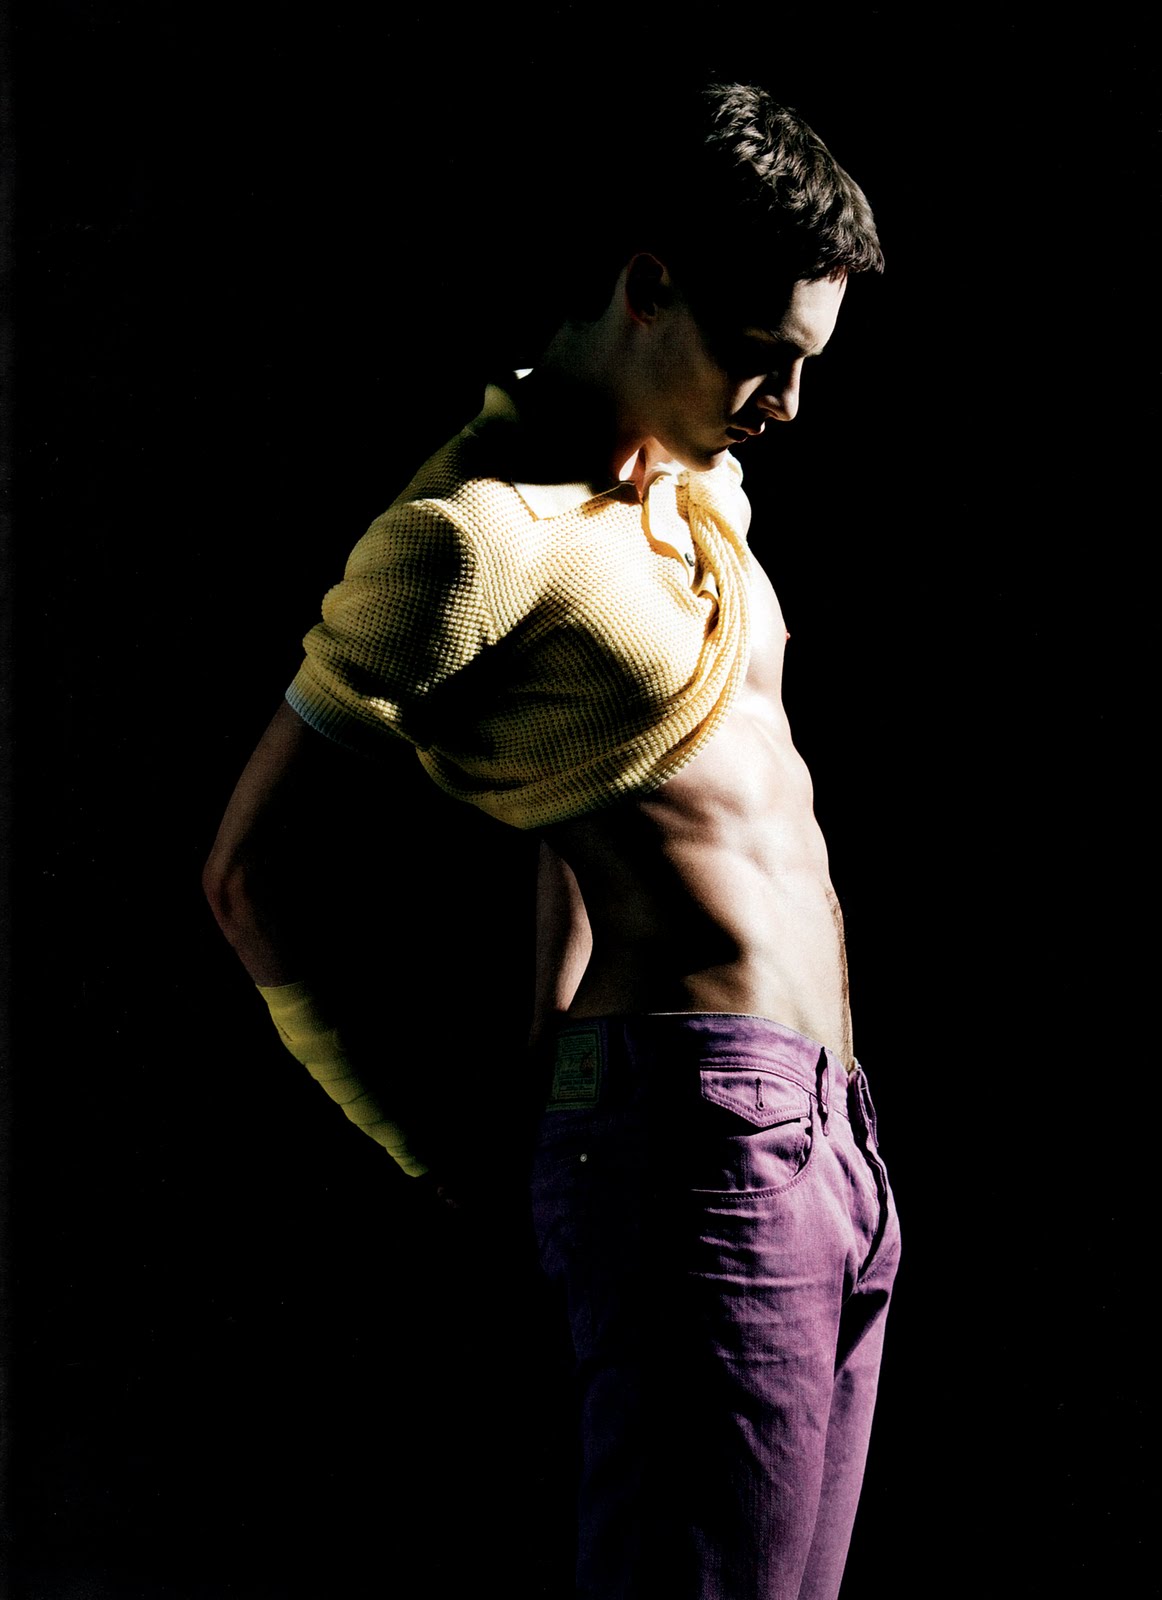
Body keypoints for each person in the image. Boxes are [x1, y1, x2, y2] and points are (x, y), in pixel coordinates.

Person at [203, 81, 901, 1600]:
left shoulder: (693, 487)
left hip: (823, 1146)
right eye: (761, 354)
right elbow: (250, 878)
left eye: (807, 362)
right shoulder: (473, 538)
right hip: (699, 1141)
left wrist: (540, 1064)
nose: (786, 404)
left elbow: (577, 778)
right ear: (647, 284)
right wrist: (435, 1146)